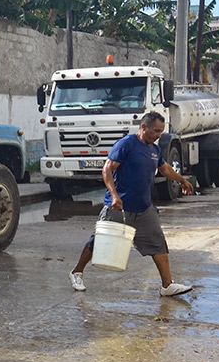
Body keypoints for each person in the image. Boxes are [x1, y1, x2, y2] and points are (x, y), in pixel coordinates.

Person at [70, 111, 196, 297]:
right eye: (156, 131)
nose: (159, 135)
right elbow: (107, 169)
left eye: (161, 131)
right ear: (143, 127)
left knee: (158, 244)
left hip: (144, 208)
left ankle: (167, 285)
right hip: (119, 206)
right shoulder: (127, 144)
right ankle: (77, 272)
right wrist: (114, 195)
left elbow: (165, 168)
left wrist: (182, 180)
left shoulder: (155, 150)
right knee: (99, 241)